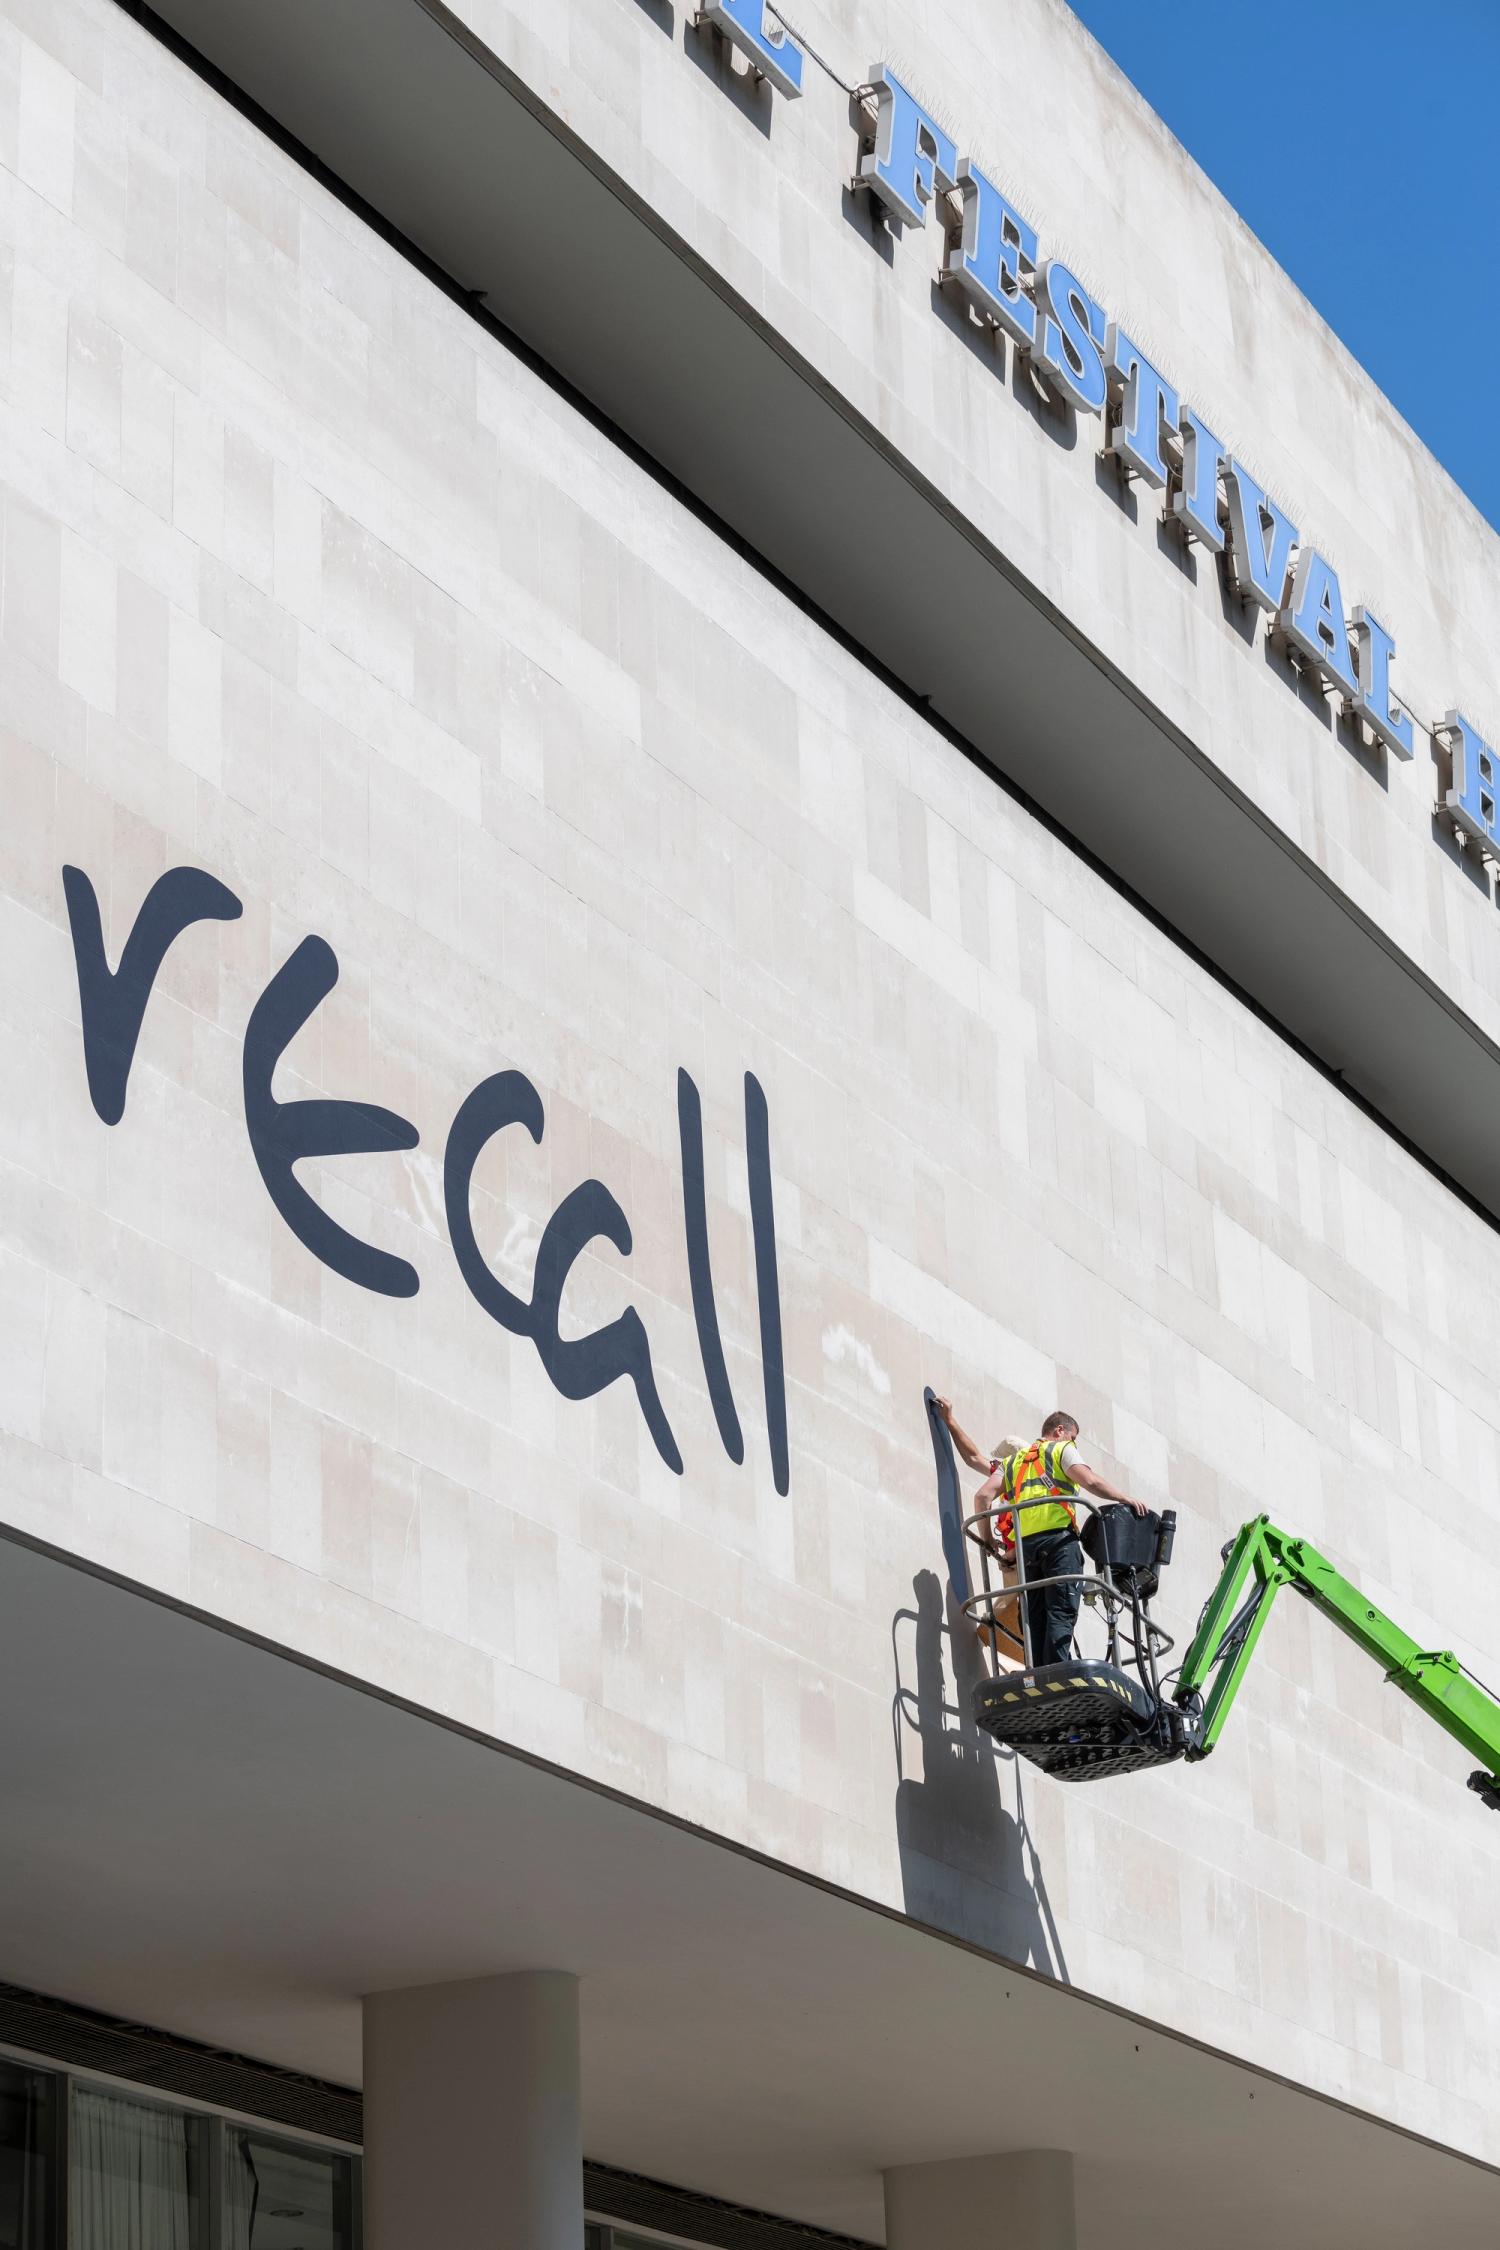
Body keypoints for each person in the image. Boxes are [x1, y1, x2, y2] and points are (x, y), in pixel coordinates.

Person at [974, 1410, 1148, 1669]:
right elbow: (1090, 1481)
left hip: (1027, 1550)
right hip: (1058, 1544)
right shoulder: (1061, 1450)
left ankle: (1037, 1673)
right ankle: (1057, 1674)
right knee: (1060, 1610)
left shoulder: (1013, 1462)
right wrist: (1123, 1498)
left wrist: (987, 1539)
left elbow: (982, 1496)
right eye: (1073, 1436)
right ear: (1059, 1431)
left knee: (1034, 1615)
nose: (1073, 1443)